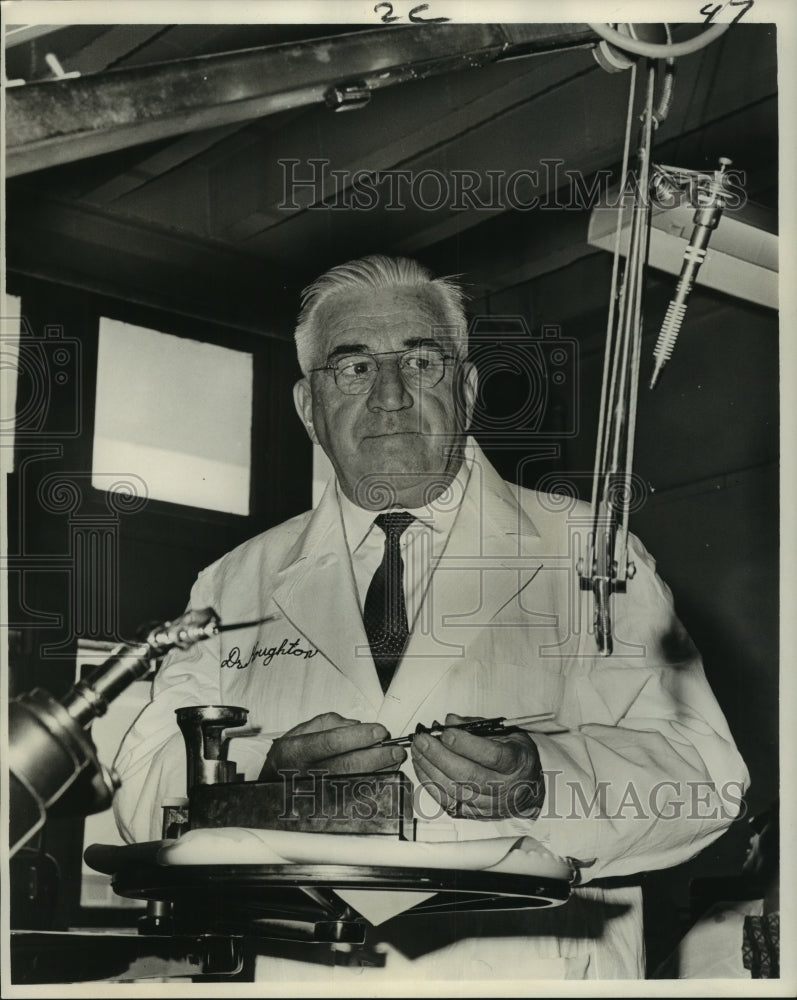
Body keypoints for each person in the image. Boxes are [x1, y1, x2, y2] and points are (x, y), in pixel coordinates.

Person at [113, 255, 749, 981]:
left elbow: (705, 779)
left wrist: (542, 782)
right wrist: (261, 782)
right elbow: (143, 788)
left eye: (421, 362)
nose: (388, 396)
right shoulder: (234, 580)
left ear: (468, 389)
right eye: (351, 369)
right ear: (305, 407)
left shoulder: (588, 550)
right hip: (301, 975)